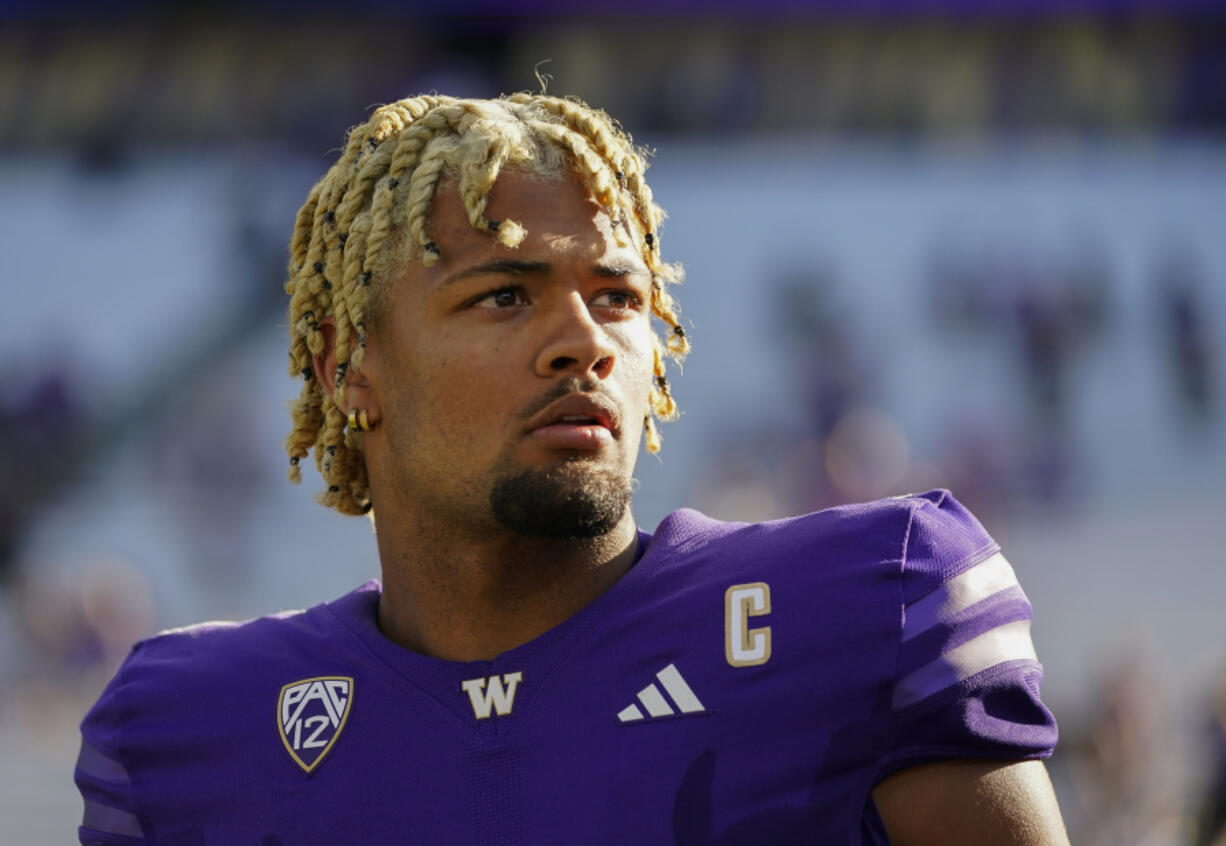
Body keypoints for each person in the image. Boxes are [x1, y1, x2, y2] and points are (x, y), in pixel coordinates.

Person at [74, 93, 1069, 845]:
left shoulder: (868, 604)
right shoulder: (182, 731)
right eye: (504, 296)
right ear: (347, 368)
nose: (583, 342)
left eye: (618, 297)